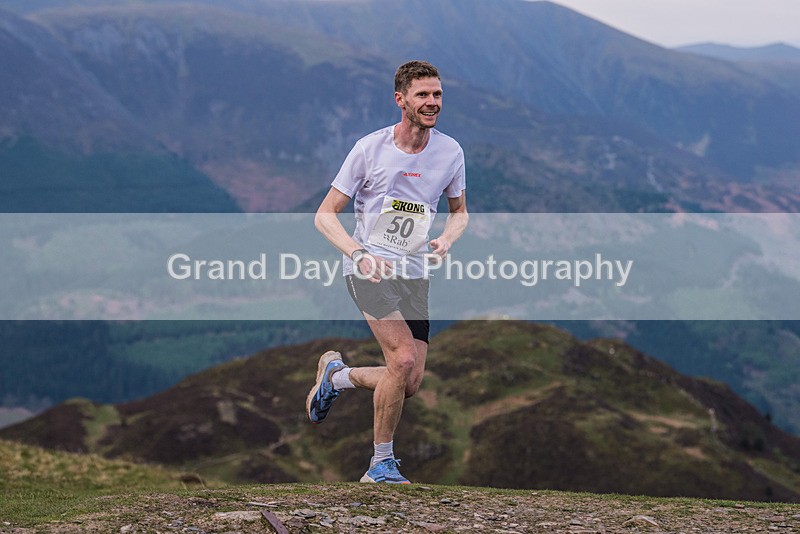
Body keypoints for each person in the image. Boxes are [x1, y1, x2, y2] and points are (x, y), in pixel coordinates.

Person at [307, 60, 468, 484]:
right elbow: (324, 216)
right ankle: (381, 465)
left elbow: (460, 213)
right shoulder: (368, 150)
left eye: (437, 94)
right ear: (401, 100)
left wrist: (448, 239)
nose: (432, 102)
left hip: (414, 274)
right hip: (369, 269)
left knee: (409, 381)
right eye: (422, 95)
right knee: (402, 358)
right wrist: (358, 252)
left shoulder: (450, 152)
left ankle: (337, 377)